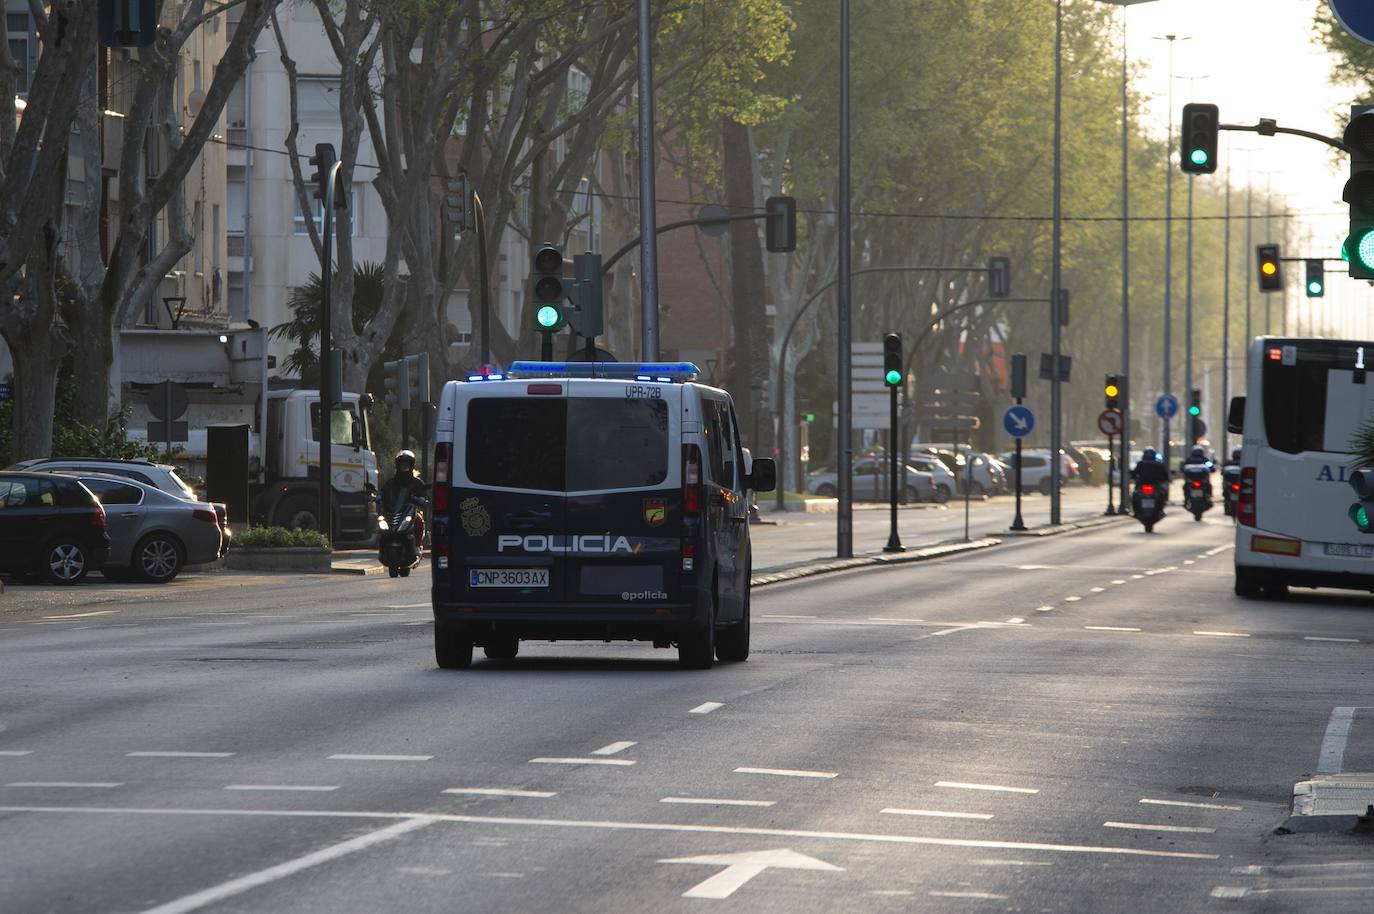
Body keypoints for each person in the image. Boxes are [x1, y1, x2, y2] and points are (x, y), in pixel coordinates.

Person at [381, 449, 428, 546]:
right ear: (397, 465)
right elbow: (383, 493)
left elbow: (423, 494)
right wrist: (377, 497)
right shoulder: (391, 483)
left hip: (410, 511)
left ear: (411, 466)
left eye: (407, 465)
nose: (404, 467)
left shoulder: (417, 482)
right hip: (392, 511)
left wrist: (421, 499)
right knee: (381, 522)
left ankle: (418, 545)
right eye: (402, 465)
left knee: (419, 521)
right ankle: (383, 544)